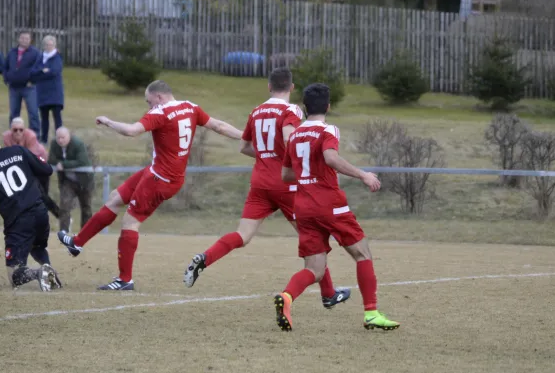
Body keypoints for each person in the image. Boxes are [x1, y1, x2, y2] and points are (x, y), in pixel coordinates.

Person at [183, 68, 350, 309]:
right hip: (286, 183)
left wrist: (266, 155)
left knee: (242, 235)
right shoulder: (290, 110)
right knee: (312, 238)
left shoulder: (257, 111)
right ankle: (328, 294)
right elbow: (291, 140)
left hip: (260, 182)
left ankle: (205, 258)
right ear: (292, 88)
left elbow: (244, 147)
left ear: (269, 86)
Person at [57, 80, 243, 290]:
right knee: (115, 198)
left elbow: (131, 131)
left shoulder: (160, 113)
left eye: (149, 101)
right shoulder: (190, 107)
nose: (149, 107)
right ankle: (77, 243)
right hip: (160, 173)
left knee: (130, 222)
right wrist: (245, 136)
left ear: (159, 97)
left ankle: (125, 279)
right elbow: (218, 125)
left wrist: (108, 121)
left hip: (160, 179)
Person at [273, 83, 400, 331]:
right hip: (328, 203)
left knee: (315, 269)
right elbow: (330, 157)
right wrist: (363, 175)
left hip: (303, 207)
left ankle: (287, 297)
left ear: (304, 107)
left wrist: (308, 175)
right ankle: (371, 313)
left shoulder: (295, 135)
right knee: (362, 253)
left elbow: (286, 175)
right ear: (328, 106)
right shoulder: (328, 129)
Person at [0, 121, 61, 291]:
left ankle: (40, 273)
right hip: (40, 213)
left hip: (19, 223)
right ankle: (51, 275)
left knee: (14, 277)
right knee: (37, 246)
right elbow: (47, 170)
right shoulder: (18, 151)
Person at [3, 117, 60, 219]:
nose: (18, 132)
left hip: (40, 167)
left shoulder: (31, 136)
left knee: (42, 196)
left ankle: (61, 216)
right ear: (11, 130)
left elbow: (29, 157)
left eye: (21, 129)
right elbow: (10, 155)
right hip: (24, 168)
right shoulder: (6, 137)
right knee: (30, 197)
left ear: (24, 129)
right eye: (15, 130)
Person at [48, 127, 94, 232]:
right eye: (58, 138)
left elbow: (82, 161)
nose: (60, 140)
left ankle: (86, 232)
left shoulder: (78, 144)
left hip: (84, 180)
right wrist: (58, 163)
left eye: (63, 137)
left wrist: (64, 164)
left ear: (69, 137)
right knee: (64, 205)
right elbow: (51, 159)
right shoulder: (55, 144)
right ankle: (63, 232)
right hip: (67, 181)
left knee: (86, 207)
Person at [3, 31, 41, 136]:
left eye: (27, 38)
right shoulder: (12, 52)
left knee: (33, 112)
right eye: (22, 38)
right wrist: (6, 79)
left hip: (29, 88)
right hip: (14, 87)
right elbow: (5, 67)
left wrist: (32, 81)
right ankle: (13, 134)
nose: (24, 40)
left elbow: (39, 68)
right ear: (18, 39)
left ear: (30, 40)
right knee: (14, 113)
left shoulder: (35, 53)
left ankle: (35, 135)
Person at [31, 35, 63, 144]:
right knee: (44, 118)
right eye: (47, 45)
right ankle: (44, 139)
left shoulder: (57, 57)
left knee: (57, 118)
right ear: (43, 45)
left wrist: (42, 72)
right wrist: (42, 71)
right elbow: (33, 72)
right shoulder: (40, 57)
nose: (48, 47)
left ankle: (60, 139)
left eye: (51, 45)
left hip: (55, 93)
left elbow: (54, 71)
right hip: (42, 92)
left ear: (54, 45)